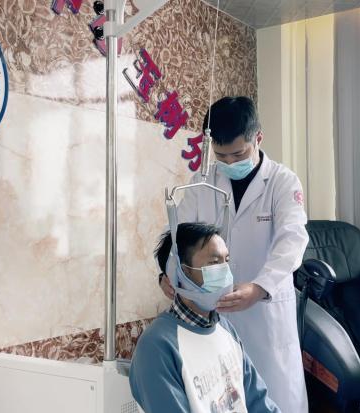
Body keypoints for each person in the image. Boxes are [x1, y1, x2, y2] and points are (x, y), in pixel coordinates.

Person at [159, 96, 309, 413]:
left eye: (238, 154)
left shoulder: (282, 182)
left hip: (265, 315)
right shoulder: (202, 182)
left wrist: (260, 287)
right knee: (225, 399)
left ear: (258, 138)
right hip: (216, 314)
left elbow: (292, 240)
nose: (229, 163)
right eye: (221, 156)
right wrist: (168, 274)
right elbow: (178, 236)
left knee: (275, 399)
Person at [129, 222, 281, 413]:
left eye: (226, 260)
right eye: (214, 262)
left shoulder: (225, 328)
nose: (225, 271)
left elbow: (258, 402)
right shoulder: (157, 347)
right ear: (180, 273)